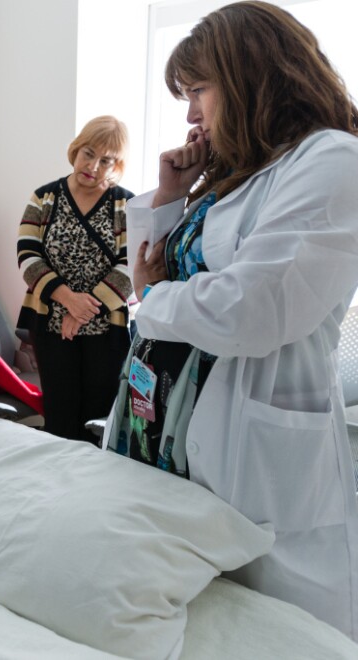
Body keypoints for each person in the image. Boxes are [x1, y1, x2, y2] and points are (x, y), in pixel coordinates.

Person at [113, 1, 358, 640]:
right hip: (162, 430)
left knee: (270, 637)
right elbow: (158, 266)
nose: (190, 113)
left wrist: (148, 300)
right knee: (180, 628)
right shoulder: (241, 171)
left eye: (198, 90)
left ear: (251, 74)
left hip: (250, 458)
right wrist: (171, 196)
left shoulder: (332, 160)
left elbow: (253, 308)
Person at [17, 115, 134, 442]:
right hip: (51, 327)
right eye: (88, 153)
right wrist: (68, 300)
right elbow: (27, 256)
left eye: (105, 160)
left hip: (106, 330)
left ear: (117, 165)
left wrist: (82, 313)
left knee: (98, 422)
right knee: (59, 420)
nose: (93, 166)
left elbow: (131, 266)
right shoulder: (44, 199)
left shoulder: (127, 205)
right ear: (76, 149)